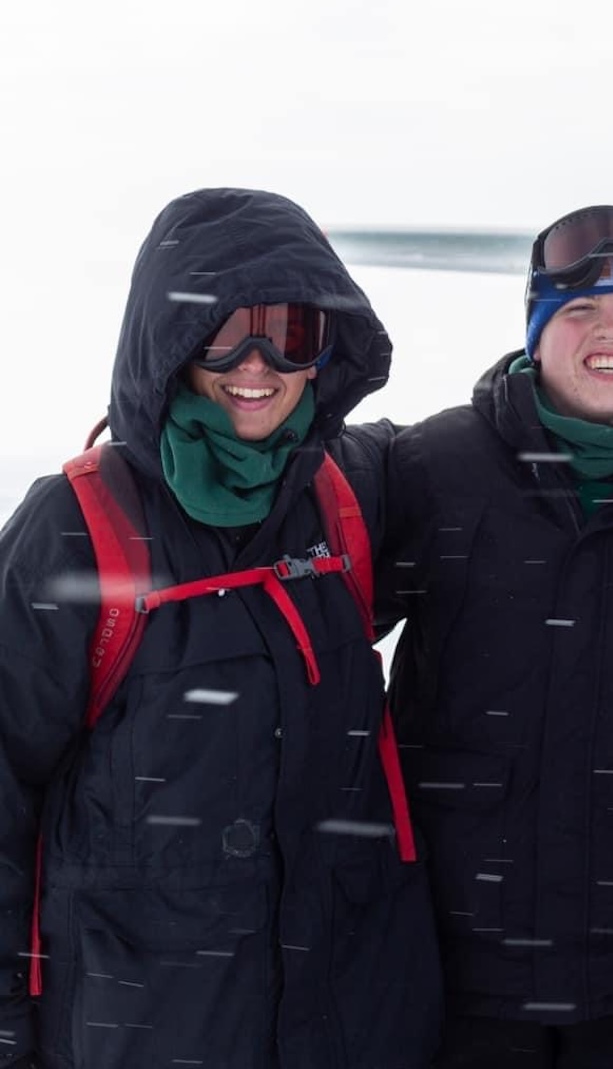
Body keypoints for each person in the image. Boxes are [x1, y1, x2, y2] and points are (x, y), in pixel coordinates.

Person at [0, 187, 440, 1068]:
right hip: (152, 1027)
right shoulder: (76, 528)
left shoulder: (346, 492)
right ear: (166, 344)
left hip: (351, 1018)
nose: (259, 362)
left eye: (292, 333)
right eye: (223, 331)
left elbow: (509, 455)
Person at [379, 205, 613, 1067]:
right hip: (458, 957)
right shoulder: (433, 466)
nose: (607, 332)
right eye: (578, 312)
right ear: (535, 336)